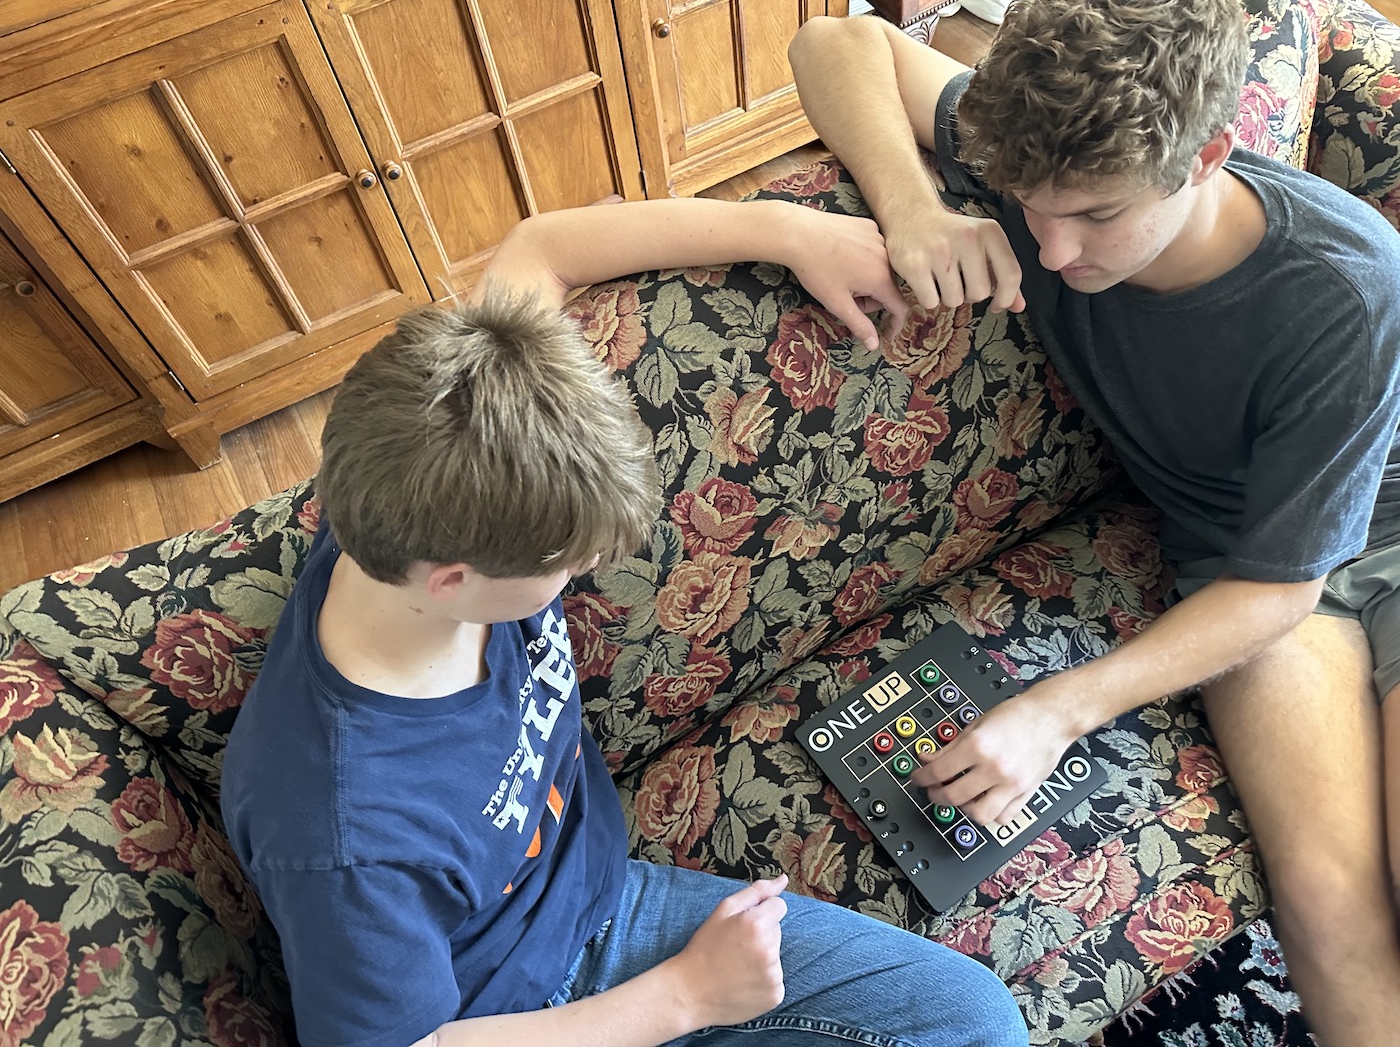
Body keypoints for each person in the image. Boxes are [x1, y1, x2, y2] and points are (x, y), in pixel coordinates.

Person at [219, 195, 1030, 1047]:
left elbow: (542, 247)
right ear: (452, 579)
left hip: (609, 899)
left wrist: (790, 231)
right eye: (561, 567)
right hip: (523, 1009)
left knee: (973, 1020)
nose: (586, 572)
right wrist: (685, 996)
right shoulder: (342, 827)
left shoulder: (414, 467)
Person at [788, 0, 1400, 1042]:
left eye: (1097, 215)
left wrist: (1055, 709)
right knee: (1324, 905)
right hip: (1238, 565)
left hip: (1351, 548)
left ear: (1206, 154)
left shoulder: (1348, 285)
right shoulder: (1045, 144)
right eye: (1030, 204)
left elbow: (1287, 585)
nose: (1055, 249)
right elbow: (832, 39)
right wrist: (913, 208)